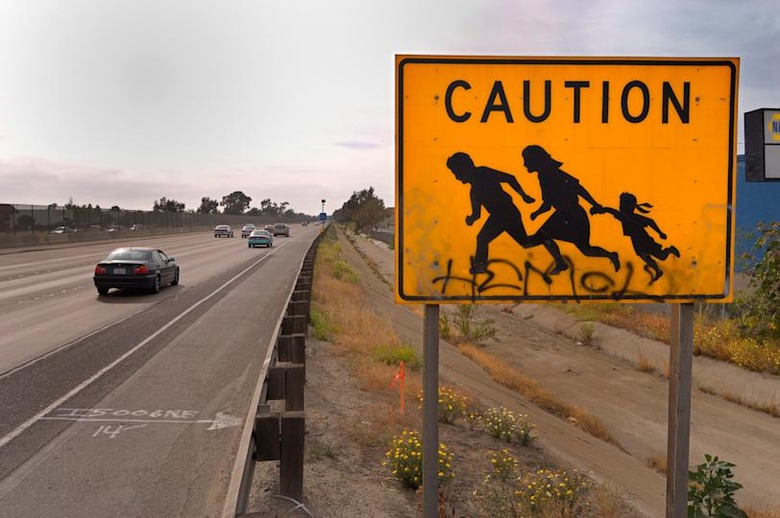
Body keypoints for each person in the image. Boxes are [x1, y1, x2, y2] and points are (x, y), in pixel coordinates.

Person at [446, 151, 568, 275]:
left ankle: (480, 266)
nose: (457, 177)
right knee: (525, 242)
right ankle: (553, 250)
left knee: (483, 238)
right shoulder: (474, 191)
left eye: (457, 173)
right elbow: (477, 214)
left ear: (465, 169)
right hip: (502, 215)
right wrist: (471, 219)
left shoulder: (483, 173)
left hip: (506, 213)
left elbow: (510, 178)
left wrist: (524, 196)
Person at [521, 145, 620, 272]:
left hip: (572, 215)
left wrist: (594, 204)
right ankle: (562, 262)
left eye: (526, 160)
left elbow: (578, 188)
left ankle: (563, 262)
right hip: (565, 214)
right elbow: (548, 203)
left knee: (583, 249)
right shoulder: (544, 175)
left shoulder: (551, 174)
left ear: (535, 160)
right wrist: (537, 213)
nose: (524, 164)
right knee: (583, 249)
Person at [592, 192, 680, 282]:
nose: (620, 206)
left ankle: (669, 250)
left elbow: (650, 221)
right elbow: (614, 212)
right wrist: (602, 210)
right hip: (636, 240)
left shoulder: (630, 216)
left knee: (661, 256)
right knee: (645, 257)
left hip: (643, 239)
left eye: (623, 204)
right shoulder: (625, 215)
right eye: (620, 203)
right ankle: (658, 270)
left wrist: (660, 233)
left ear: (630, 206)